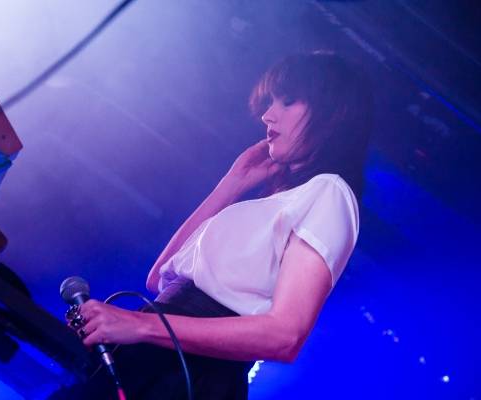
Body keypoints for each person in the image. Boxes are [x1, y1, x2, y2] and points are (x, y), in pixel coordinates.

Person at [51, 51, 373, 399]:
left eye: (288, 101)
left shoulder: (330, 192)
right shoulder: (275, 202)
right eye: (270, 102)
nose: (268, 115)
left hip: (191, 374)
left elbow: (285, 336)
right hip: (155, 357)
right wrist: (231, 185)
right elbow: (159, 278)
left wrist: (139, 325)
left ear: (331, 115)